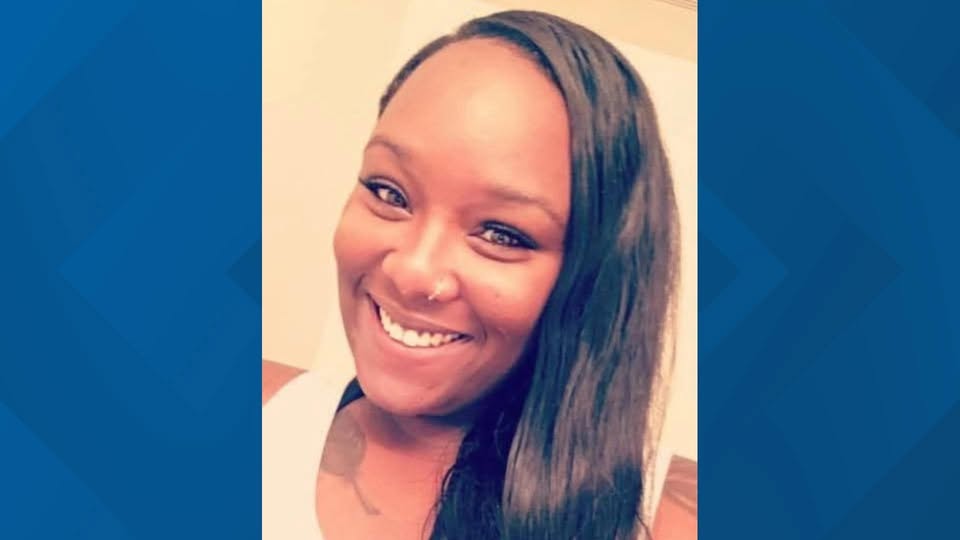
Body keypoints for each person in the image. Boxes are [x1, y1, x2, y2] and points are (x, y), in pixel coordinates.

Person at [264, 10, 694, 540]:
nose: (412, 271)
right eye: (388, 192)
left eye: (502, 234)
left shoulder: (675, 518)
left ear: (595, 278)